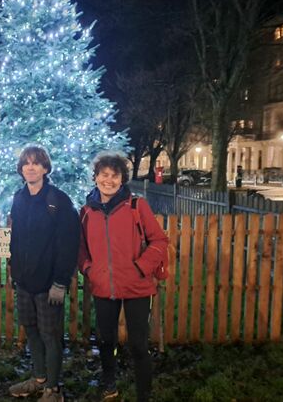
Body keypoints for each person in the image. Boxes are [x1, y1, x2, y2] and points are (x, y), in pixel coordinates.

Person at [78, 153, 168, 402]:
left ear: (122, 179)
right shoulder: (86, 212)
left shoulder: (137, 206)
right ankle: (109, 384)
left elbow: (159, 240)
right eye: (104, 175)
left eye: (114, 176)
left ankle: (144, 394)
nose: (109, 180)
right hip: (103, 286)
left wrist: (141, 268)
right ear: (95, 178)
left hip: (137, 286)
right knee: (106, 341)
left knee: (138, 345)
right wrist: (88, 269)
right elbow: (80, 248)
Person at [8, 145, 80, 402]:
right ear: (21, 169)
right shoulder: (18, 197)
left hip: (50, 283)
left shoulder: (58, 200)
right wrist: (14, 270)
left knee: (50, 336)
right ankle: (38, 379)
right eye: (26, 163)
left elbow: (69, 244)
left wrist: (60, 281)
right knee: (32, 330)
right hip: (25, 282)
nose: (30, 167)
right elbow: (15, 238)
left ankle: (53, 389)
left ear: (45, 168)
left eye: (36, 163)